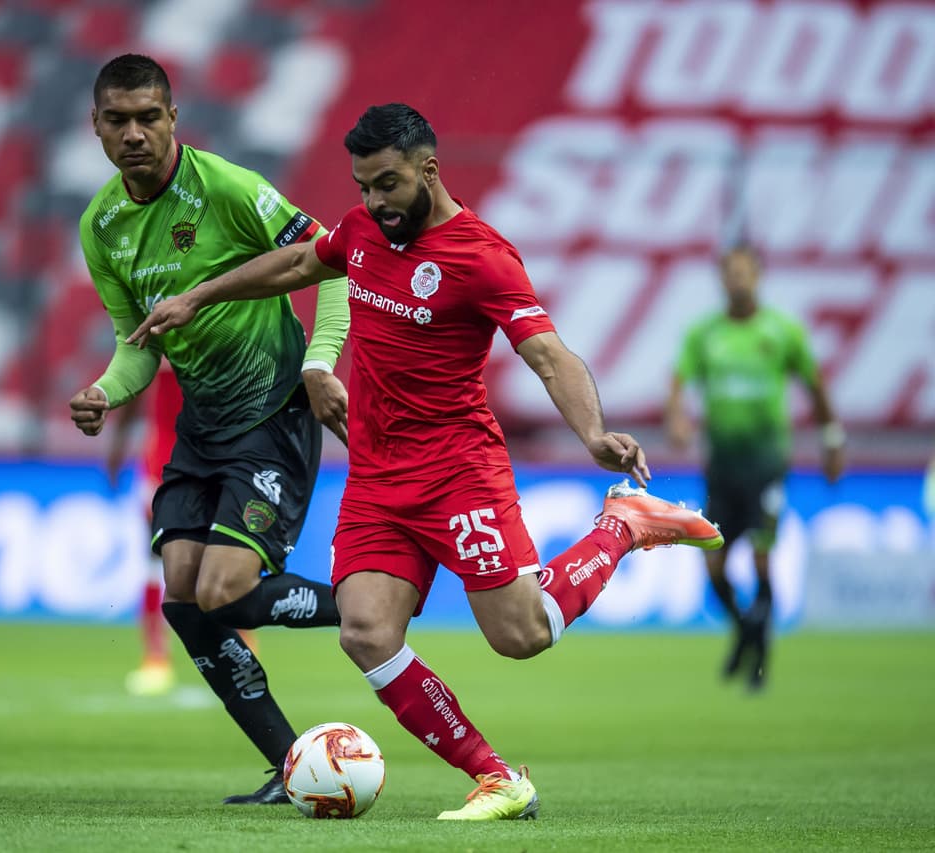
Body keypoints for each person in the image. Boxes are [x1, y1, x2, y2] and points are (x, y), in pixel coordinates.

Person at [130, 103, 725, 821]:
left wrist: (594, 434)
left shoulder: (483, 256)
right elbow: (294, 262)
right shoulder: (358, 231)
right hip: (379, 477)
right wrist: (198, 295)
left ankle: (623, 525)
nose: (374, 203)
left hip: (457, 471)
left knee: (522, 634)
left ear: (428, 170)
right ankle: (497, 776)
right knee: (364, 630)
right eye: (363, 187)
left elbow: (547, 353)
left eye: (387, 184)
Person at [68, 54, 350, 804]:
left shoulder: (226, 189)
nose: (134, 134)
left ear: (173, 118)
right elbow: (139, 349)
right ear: (95, 125)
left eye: (148, 117)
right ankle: (291, 764)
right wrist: (103, 389)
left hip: (272, 414)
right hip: (201, 426)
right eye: (118, 120)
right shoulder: (102, 227)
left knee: (224, 588)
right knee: (183, 598)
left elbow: (337, 261)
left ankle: (363, 603)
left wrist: (320, 363)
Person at [665, 244, 844, 690]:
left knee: (762, 561)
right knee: (714, 568)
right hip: (721, 467)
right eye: (731, 273)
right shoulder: (704, 334)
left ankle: (757, 653)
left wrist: (831, 439)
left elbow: (815, 387)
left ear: (759, 277)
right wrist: (678, 419)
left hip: (766, 466)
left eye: (745, 273)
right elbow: (678, 384)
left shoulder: (782, 332)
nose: (738, 281)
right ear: (722, 279)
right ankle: (748, 633)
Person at [103, 363, 180, 696]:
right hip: (161, 469)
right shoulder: (159, 342)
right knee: (155, 563)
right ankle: (155, 655)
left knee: (215, 558)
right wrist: (119, 446)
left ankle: (238, 636)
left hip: (201, 464)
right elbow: (133, 397)